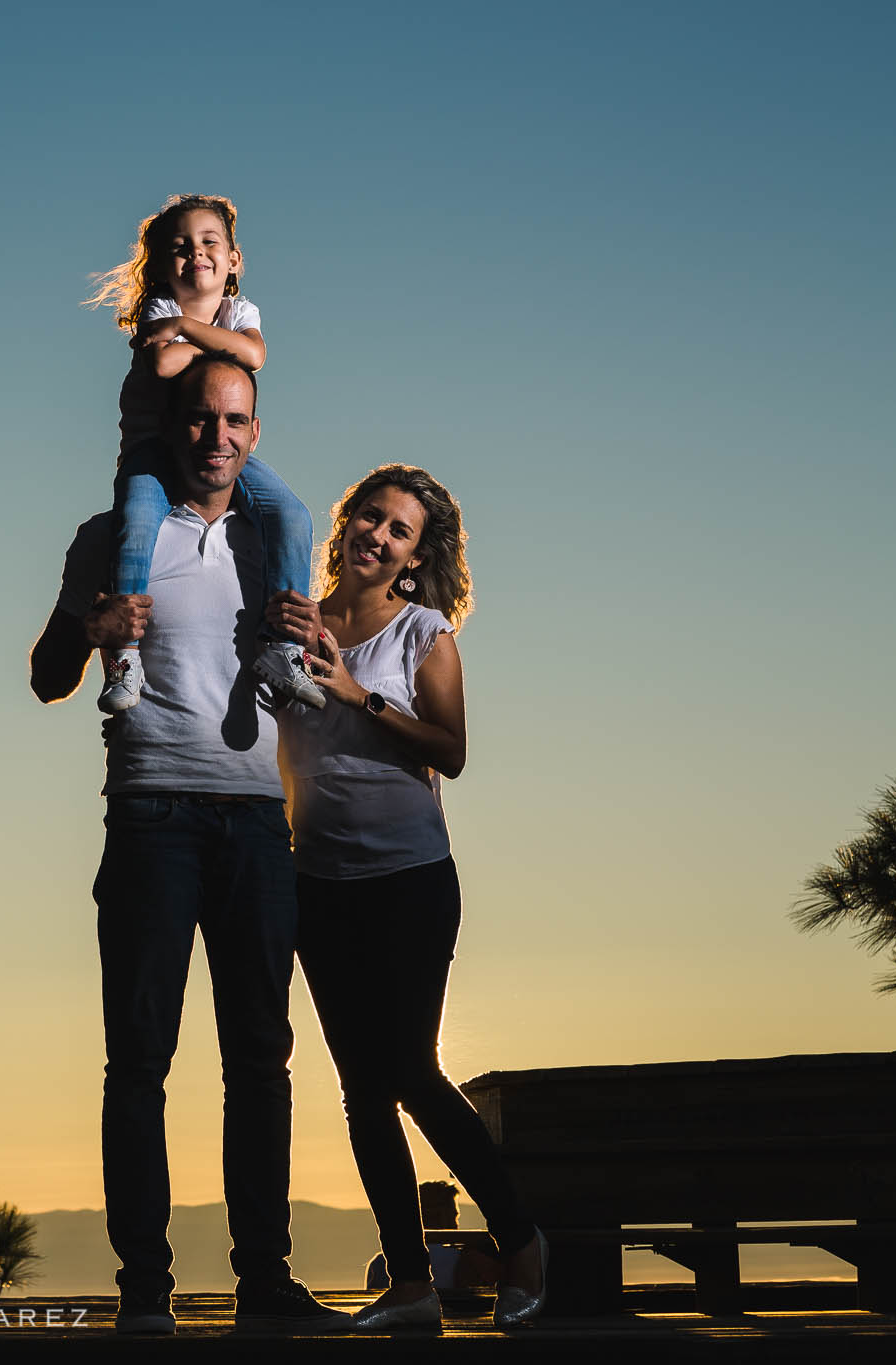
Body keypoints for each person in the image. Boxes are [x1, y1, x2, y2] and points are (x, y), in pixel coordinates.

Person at [29, 354, 349, 1337]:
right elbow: (46, 677)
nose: (217, 438)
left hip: (258, 822)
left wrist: (319, 647)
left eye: (235, 422)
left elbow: (320, 680)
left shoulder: (275, 544)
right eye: (201, 421)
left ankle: (265, 1287)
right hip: (152, 820)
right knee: (139, 1064)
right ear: (170, 431)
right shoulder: (110, 539)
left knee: (261, 1061)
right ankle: (144, 1297)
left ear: (255, 435)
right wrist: (91, 630)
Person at [268, 465, 547, 1332]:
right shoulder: (294, 623)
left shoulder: (423, 634)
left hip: (410, 882)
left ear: (416, 558)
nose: (377, 537)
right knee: (361, 1089)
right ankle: (412, 1282)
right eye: (370, 518)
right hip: (317, 881)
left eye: (399, 531)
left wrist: (358, 695)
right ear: (345, 523)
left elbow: (450, 749)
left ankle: (522, 1241)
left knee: (411, 1071)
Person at [83, 194, 321, 715]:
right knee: (137, 520)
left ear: (233, 259)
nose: (197, 254)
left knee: (292, 515)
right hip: (154, 452)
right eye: (181, 247)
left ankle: (284, 648)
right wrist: (213, 342)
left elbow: (254, 353)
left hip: (217, 452)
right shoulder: (158, 309)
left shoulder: (239, 311)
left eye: (210, 243)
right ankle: (125, 656)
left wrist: (189, 331)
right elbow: (167, 367)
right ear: (162, 265)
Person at [361, 1180, 500, 1309]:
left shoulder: (379, 1263)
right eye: (454, 1216)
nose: (456, 1224)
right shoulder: (466, 1260)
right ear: (442, 1216)